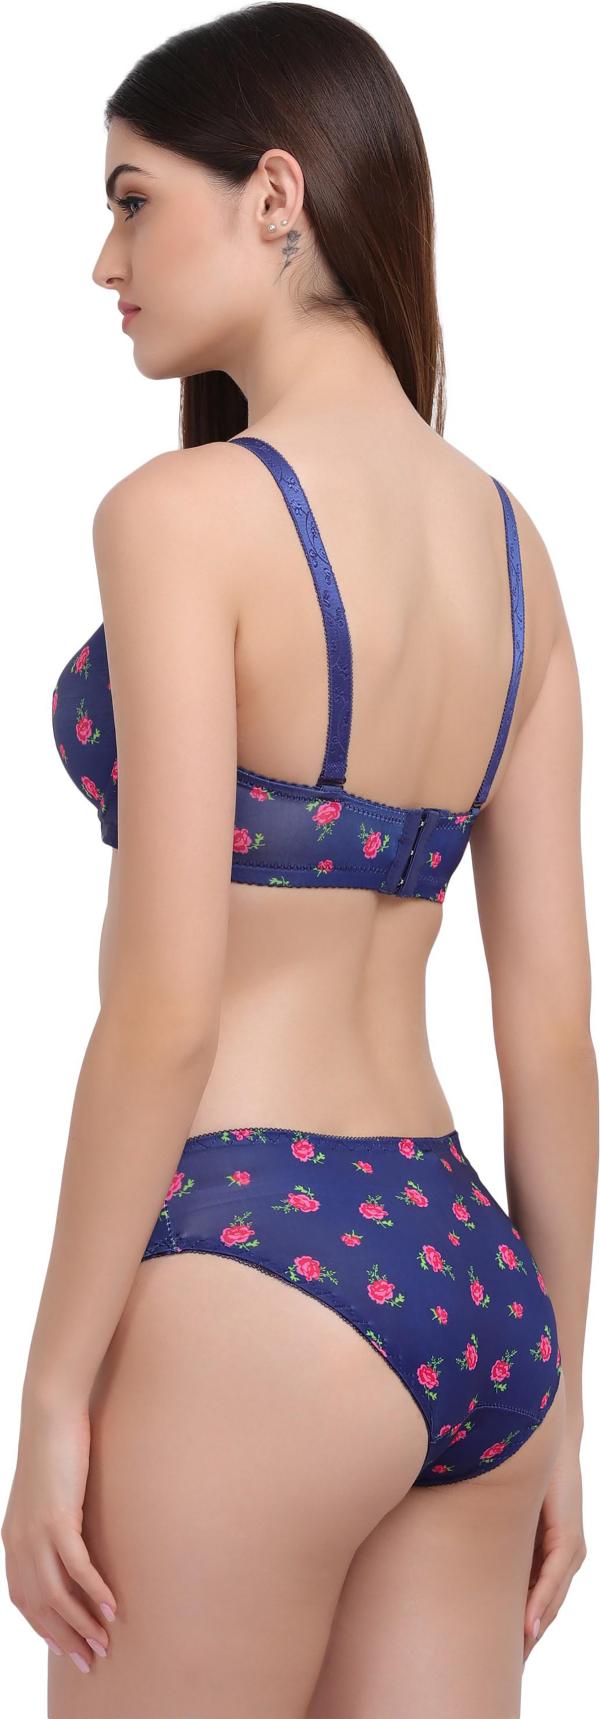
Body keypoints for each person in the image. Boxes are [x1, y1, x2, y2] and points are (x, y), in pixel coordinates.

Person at [2, 6, 596, 1715]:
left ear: (276, 194)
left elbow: (165, 1009)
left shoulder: (180, 518)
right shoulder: (518, 554)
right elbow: (553, 1030)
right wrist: (559, 1401)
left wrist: (53, 1388)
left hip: (254, 1264)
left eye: (131, 201)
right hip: (471, 1279)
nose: (103, 261)